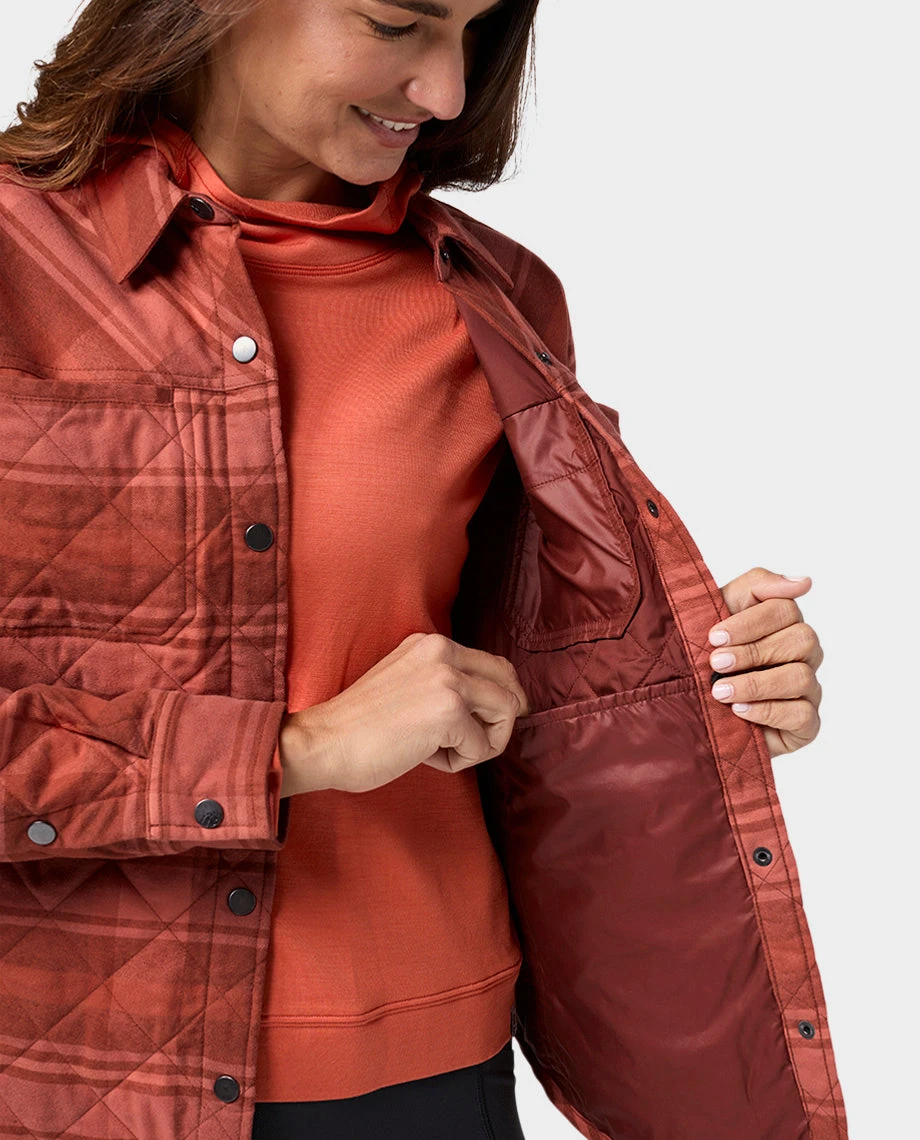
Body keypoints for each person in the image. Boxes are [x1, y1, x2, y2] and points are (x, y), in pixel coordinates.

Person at [0, 1, 847, 1138]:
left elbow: (504, 676)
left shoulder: (493, 297)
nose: (446, 92)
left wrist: (691, 684)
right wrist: (298, 751)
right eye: (399, 22)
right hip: (81, 1078)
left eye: (475, 32)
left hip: (437, 1070)